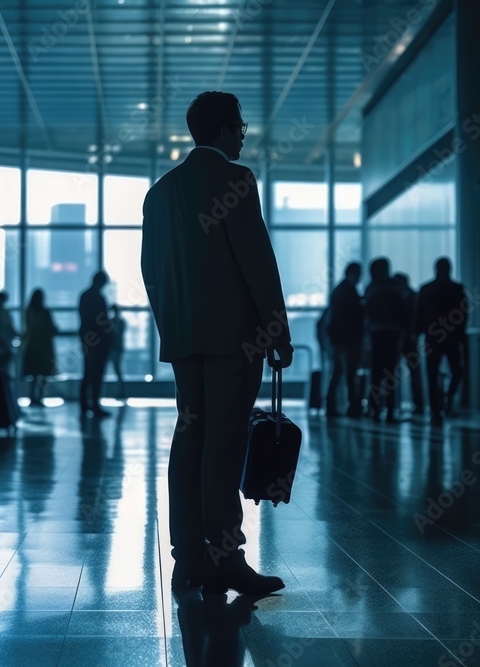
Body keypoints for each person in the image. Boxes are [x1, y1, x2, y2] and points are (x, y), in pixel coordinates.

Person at [141, 91, 292, 596]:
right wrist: (277, 329)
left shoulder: (160, 193)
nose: (243, 137)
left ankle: (188, 557)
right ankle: (227, 558)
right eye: (242, 129)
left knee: (190, 440)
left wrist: (172, 326)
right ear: (226, 131)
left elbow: (150, 271)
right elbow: (257, 261)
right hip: (234, 341)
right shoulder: (235, 180)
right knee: (224, 447)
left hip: (185, 339)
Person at [417, 257, 467, 425]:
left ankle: (435, 411)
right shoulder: (457, 289)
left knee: (431, 375)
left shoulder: (425, 289)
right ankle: (447, 398)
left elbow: (419, 315)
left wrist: (420, 333)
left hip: (432, 338)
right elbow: (463, 315)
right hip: (451, 337)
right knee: (457, 371)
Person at [363, 258, 408, 421]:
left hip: (376, 335)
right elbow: (403, 311)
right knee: (390, 375)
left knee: (376, 375)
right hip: (392, 335)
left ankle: (374, 409)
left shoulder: (371, 288)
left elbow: (366, 314)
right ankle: (389, 411)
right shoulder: (394, 288)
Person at [325, 262, 365, 418]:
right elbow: (353, 316)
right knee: (347, 373)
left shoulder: (340, 290)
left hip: (339, 339)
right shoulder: (349, 291)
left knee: (339, 373)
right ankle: (352, 406)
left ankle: (333, 405)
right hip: (347, 339)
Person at [78, 271, 112, 417]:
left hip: (87, 338)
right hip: (99, 341)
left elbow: (84, 317)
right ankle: (94, 404)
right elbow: (103, 320)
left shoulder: (84, 296)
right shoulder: (99, 298)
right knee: (97, 373)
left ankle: (85, 405)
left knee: (88, 372)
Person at [392, 272, 424, 417]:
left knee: (394, 371)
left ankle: (395, 404)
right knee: (414, 373)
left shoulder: (398, 298)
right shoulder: (413, 296)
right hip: (410, 340)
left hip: (401, 339)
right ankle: (418, 404)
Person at [21, 289, 57, 407]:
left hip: (32, 346)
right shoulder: (45, 312)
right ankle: (40, 396)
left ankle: (32, 396)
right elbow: (52, 328)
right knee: (44, 374)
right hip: (44, 347)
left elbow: (27, 329)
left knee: (33, 374)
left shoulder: (28, 312)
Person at [0, 291, 18, 375]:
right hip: (3, 342)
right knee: (3, 368)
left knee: (0, 366)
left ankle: (1, 384)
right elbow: (8, 326)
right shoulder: (2, 312)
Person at [107, 304, 127, 397]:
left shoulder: (117, 322)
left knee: (117, 369)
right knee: (117, 370)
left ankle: (120, 392)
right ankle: (119, 391)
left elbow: (116, 335)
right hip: (114, 348)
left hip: (114, 348)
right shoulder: (119, 322)